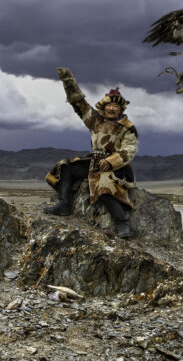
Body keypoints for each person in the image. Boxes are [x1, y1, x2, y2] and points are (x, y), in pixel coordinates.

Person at [44, 67, 138, 239]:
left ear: (120, 109)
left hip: (116, 167)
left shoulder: (127, 127)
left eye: (115, 105)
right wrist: (68, 81)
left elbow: (129, 150)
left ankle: (123, 223)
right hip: (94, 162)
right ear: (104, 106)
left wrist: (111, 161)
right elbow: (79, 103)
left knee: (103, 185)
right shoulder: (95, 120)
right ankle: (64, 205)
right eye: (109, 104)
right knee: (65, 167)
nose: (111, 108)